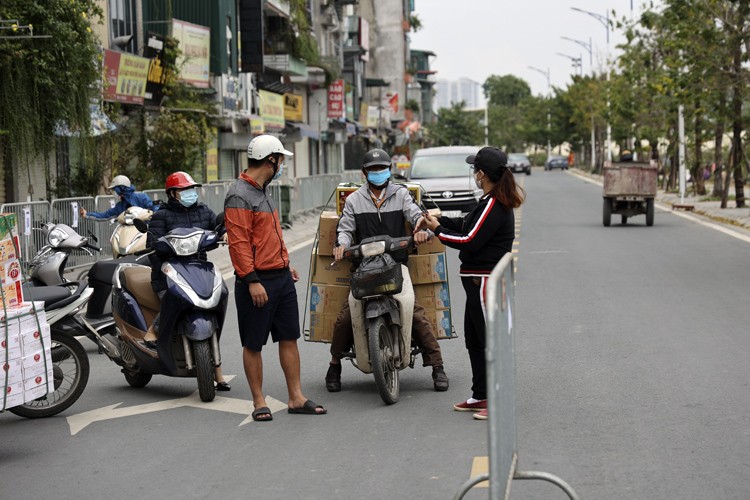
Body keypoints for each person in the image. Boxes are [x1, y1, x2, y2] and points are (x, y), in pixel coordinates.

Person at [325, 148, 449, 393]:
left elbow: (416, 215)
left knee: (415, 313)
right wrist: (341, 246)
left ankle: (437, 366)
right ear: (364, 173)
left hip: (396, 267)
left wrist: (420, 229)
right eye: (373, 170)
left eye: (382, 168)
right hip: (364, 269)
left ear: (389, 170)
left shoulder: (401, 195)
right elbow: (345, 230)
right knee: (345, 318)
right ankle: (334, 364)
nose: (378, 173)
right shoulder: (353, 200)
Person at [224, 134, 327, 422]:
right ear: (271, 160)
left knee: (289, 338)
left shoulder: (264, 191)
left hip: (281, 278)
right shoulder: (239, 194)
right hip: (256, 282)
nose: (282, 165)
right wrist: (252, 280)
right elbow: (239, 243)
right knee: (253, 343)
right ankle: (259, 401)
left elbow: (270, 237)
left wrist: (285, 263)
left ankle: (296, 396)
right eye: (281, 159)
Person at [418, 146, 525, 421]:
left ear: (482, 174)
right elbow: (466, 224)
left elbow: (469, 240)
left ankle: (498, 399)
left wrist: (437, 231)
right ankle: (481, 394)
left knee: (491, 343)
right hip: (476, 283)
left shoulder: (494, 205)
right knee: (475, 341)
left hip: (486, 283)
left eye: (474, 169)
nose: (473, 174)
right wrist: (440, 220)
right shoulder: (489, 200)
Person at [142, 171, 230, 391]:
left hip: (198, 269)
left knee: (217, 301)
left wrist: (225, 231)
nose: (191, 193)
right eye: (185, 190)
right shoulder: (161, 216)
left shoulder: (204, 211)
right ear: (173, 193)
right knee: (173, 300)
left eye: (192, 189)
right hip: (169, 272)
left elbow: (217, 226)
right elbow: (153, 244)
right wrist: (158, 246)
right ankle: (155, 329)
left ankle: (217, 371)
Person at [80, 175, 157, 219]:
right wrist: (87, 215)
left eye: (114, 189)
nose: (113, 192)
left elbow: (155, 208)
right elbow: (104, 215)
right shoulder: (119, 206)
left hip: (145, 233)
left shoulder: (142, 197)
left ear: (121, 188)